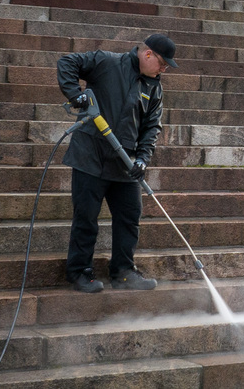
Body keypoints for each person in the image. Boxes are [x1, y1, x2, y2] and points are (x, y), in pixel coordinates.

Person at [57, 33, 177, 293]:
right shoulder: (107, 62)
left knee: (129, 216)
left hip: (125, 164)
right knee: (86, 217)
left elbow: (151, 128)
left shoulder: (154, 87)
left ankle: (123, 271)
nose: (164, 69)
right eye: (163, 63)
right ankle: (80, 272)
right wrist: (75, 95)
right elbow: (67, 62)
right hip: (91, 156)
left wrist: (143, 159)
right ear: (147, 54)